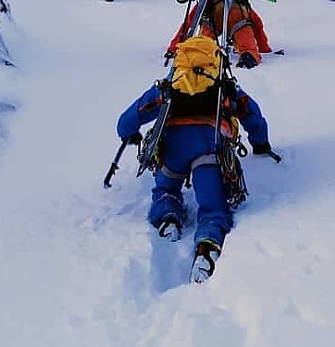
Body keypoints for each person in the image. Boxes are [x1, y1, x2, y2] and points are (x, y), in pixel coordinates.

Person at [117, 35, 276, 282]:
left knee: (165, 188)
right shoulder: (225, 86)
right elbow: (252, 116)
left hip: (172, 149)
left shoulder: (169, 85)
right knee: (213, 206)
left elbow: (128, 119)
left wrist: (129, 134)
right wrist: (261, 143)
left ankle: (168, 217)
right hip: (210, 148)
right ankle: (207, 247)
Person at [167, 0, 273, 67]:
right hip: (237, 12)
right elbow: (258, 25)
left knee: (203, 44)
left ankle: (200, 55)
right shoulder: (242, 2)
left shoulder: (205, 1)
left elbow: (188, 23)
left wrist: (173, 47)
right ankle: (249, 56)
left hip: (212, 13)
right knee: (244, 36)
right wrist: (264, 48)